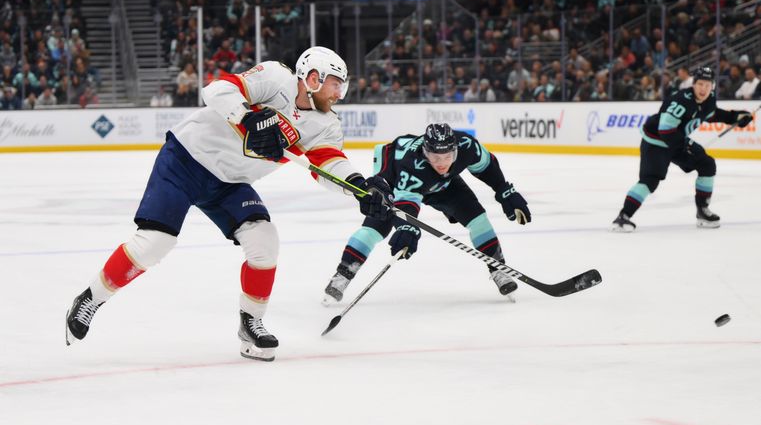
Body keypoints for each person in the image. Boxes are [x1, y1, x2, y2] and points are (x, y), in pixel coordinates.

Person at [65, 46, 393, 362]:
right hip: (185, 159)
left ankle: (250, 326)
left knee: (264, 241)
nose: (339, 93)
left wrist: (361, 188)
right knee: (155, 243)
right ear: (313, 78)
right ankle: (91, 298)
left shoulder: (326, 124)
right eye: (335, 84)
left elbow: (328, 164)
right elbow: (218, 89)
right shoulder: (276, 77)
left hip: (229, 182)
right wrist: (246, 117)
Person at [323, 123, 531, 304]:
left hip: (443, 185)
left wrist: (505, 190)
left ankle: (499, 270)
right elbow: (407, 203)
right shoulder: (412, 164)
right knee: (373, 229)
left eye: (447, 156)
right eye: (434, 156)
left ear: (456, 151)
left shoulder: (467, 145)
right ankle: (342, 275)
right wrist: (407, 228)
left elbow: (486, 167)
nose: (441, 163)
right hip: (394, 180)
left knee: (479, 219)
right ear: (425, 151)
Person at [611, 66, 753, 231]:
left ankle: (702, 211)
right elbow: (665, 130)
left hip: (676, 140)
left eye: (707, 85)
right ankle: (623, 217)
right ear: (694, 84)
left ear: (712, 86)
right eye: (700, 84)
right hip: (656, 141)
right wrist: (685, 146)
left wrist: (735, 117)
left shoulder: (710, 98)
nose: (703, 89)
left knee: (707, 164)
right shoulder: (680, 100)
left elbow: (711, 114)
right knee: (651, 180)